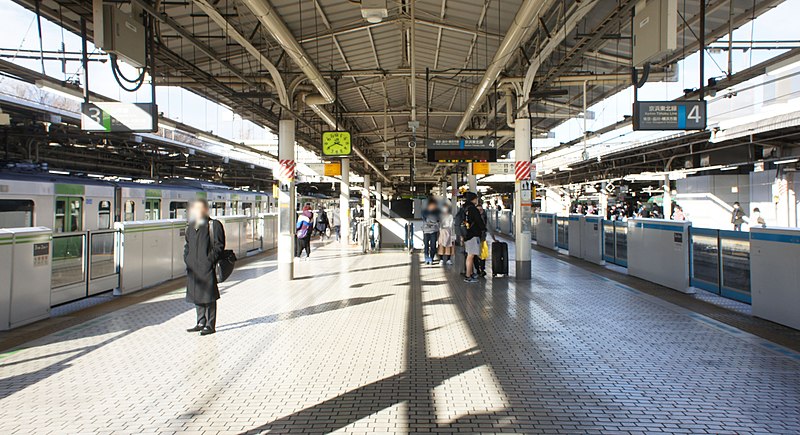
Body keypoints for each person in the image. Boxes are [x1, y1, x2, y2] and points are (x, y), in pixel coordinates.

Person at [184, 199, 226, 336]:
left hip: (207, 266)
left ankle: (210, 324)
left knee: (209, 296)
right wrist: (187, 258)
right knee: (197, 295)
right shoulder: (191, 226)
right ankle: (200, 321)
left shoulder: (213, 224)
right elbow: (187, 245)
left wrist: (209, 260)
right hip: (193, 267)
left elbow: (219, 246)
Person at [462, 192, 486, 283]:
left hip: (467, 234)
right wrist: (483, 228)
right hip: (473, 234)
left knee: (470, 255)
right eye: (476, 199)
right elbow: (478, 221)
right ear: (473, 199)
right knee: (471, 255)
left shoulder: (464, 208)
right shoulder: (473, 209)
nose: (477, 200)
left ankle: (471, 273)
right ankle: (468, 276)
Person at [421, 198, 441, 264]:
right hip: (426, 231)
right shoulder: (425, 212)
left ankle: (431, 258)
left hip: (434, 231)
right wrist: (433, 222)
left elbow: (438, 220)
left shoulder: (437, 212)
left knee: (433, 245)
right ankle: (427, 258)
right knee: (426, 245)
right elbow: (425, 220)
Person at [474, 202, 489, 277]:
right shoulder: (473, 218)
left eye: (481, 209)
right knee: (476, 254)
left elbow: (489, 227)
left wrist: (494, 238)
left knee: (482, 254)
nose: (480, 211)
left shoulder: (484, 217)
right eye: (478, 210)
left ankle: (482, 269)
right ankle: (478, 269)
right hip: (475, 238)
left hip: (482, 238)